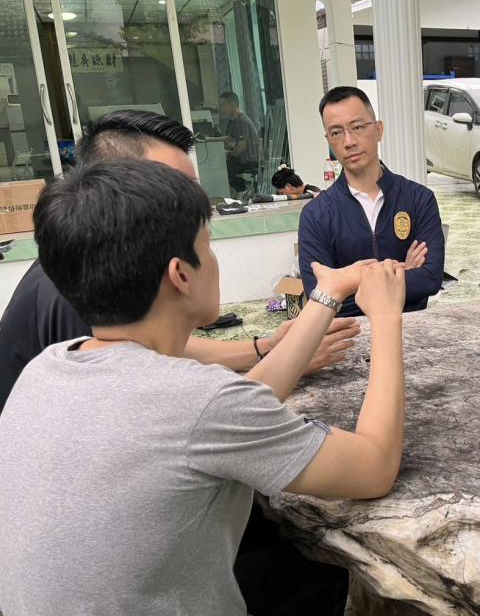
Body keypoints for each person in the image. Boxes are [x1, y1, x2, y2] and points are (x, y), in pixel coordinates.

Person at [0, 159, 407, 616]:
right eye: (208, 245)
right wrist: (386, 317)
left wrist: (327, 295)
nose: (213, 260)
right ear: (181, 275)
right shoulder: (199, 403)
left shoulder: (47, 369)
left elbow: (238, 405)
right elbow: (374, 466)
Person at [0, 110, 359, 415]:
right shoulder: (80, 286)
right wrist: (291, 356)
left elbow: (152, 347)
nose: (192, 204)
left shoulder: (105, 263)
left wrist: (264, 348)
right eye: (174, 186)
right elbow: (224, 422)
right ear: (112, 187)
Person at [299, 86, 445, 317]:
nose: (349, 141)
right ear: (329, 141)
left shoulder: (418, 199)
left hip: (410, 329)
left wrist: (343, 285)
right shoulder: (316, 215)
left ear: (378, 130)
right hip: (351, 334)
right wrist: (400, 274)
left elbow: (430, 279)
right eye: (336, 132)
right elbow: (319, 297)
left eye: (358, 127)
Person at [219, 91, 261, 193]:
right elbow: (229, 138)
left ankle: (246, 187)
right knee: (223, 166)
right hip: (243, 159)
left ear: (232, 104)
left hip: (249, 161)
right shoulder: (235, 120)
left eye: (224, 104)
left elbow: (242, 146)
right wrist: (209, 140)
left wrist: (229, 154)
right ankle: (245, 188)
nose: (222, 108)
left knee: (222, 170)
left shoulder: (241, 120)